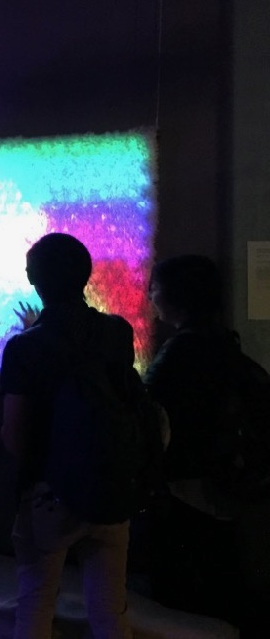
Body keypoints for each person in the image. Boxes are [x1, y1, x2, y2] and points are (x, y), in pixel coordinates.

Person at [0, 232, 136, 639]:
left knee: (36, 603)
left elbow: (14, 435)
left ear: (33, 278)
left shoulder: (23, 348)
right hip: (110, 486)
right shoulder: (117, 332)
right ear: (85, 275)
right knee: (110, 610)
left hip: (48, 493)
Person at [144, 254, 268, 636]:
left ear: (176, 296)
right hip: (225, 480)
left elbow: (145, 407)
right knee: (225, 574)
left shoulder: (180, 352)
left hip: (189, 483)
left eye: (155, 288)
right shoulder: (225, 342)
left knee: (188, 588)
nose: (150, 295)